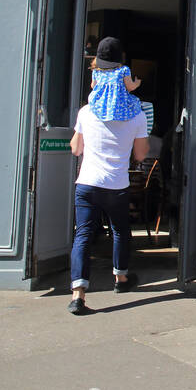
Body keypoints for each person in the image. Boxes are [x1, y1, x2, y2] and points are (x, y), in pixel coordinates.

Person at [67, 94, 149, 314]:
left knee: (83, 234)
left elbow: (76, 149)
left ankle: (78, 293)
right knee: (120, 231)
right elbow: (141, 155)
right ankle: (121, 278)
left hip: (87, 183)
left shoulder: (86, 112)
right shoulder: (137, 115)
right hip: (116, 184)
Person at [88, 36, 142, 122]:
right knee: (144, 107)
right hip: (120, 107)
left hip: (99, 106)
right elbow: (130, 87)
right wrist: (137, 83)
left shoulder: (96, 71)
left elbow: (93, 86)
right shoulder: (123, 70)